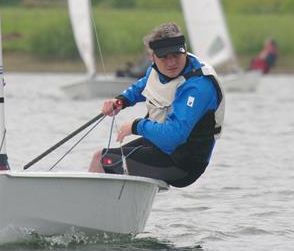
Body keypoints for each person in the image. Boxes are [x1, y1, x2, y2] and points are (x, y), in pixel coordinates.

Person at [89, 22, 224, 188]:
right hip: (160, 147)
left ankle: (91, 212)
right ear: (152, 57)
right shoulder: (156, 70)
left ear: (184, 49)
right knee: (111, 160)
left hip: (183, 164)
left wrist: (136, 125)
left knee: (102, 160)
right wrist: (120, 101)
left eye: (176, 55)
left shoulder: (199, 86)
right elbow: (144, 85)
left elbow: (174, 137)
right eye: (164, 57)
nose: (171, 62)